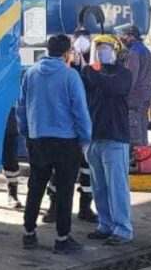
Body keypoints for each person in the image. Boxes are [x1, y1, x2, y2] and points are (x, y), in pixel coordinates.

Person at [16, 34, 93, 254]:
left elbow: (21, 107)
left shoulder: (30, 74)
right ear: (67, 53)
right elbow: (80, 111)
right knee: (64, 190)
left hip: (37, 139)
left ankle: (29, 234)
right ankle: (62, 239)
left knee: (35, 187)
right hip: (66, 143)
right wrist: (86, 139)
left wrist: (26, 133)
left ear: (47, 51)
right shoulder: (70, 77)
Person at [82, 35, 134, 246]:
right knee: (100, 187)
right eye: (99, 48)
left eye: (105, 48)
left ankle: (123, 229)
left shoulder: (124, 75)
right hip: (95, 139)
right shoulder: (95, 75)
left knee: (117, 187)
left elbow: (112, 87)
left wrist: (87, 70)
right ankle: (105, 225)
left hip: (115, 138)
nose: (101, 52)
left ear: (116, 52)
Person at [43, 28, 97, 224]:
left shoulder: (93, 62)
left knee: (86, 170)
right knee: (58, 171)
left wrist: (85, 65)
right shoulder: (64, 68)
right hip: (65, 128)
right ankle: (54, 207)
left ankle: (85, 207)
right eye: (78, 38)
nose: (82, 41)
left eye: (86, 38)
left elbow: (97, 85)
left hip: (84, 124)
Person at [117, 24, 151, 149]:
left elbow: (130, 77)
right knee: (142, 124)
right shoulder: (146, 51)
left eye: (124, 35)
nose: (122, 38)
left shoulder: (133, 53)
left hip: (135, 96)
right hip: (146, 94)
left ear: (131, 36)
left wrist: (123, 93)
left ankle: (135, 154)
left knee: (134, 125)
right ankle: (143, 154)